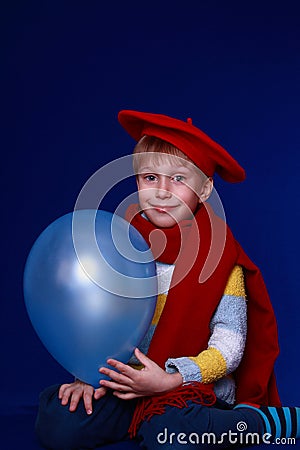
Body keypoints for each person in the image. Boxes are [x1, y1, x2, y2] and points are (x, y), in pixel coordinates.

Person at [35, 110, 299, 449]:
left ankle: (257, 423)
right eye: (149, 178)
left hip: (186, 388)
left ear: (204, 190)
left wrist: (171, 380)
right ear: (136, 182)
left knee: (169, 433)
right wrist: (86, 374)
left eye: (178, 179)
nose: (161, 192)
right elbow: (96, 319)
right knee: (59, 424)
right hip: (125, 383)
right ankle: (135, 418)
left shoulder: (220, 260)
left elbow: (229, 347)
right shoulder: (118, 244)